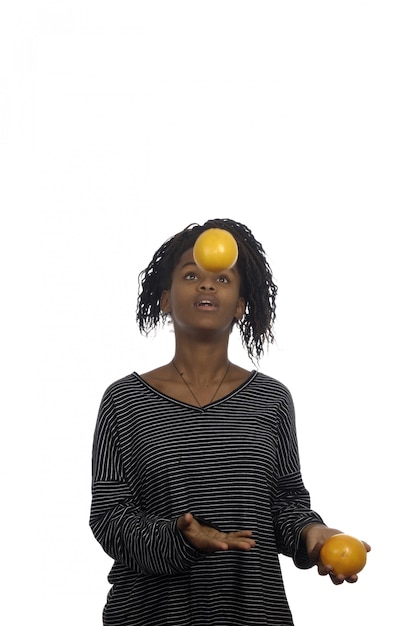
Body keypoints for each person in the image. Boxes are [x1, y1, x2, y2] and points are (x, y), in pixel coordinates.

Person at [90, 218, 370, 625]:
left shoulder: (271, 399)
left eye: (223, 278)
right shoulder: (125, 400)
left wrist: (312, 534)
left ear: (241, 304)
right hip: (150, 613)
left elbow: (284, 504)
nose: (206, 285)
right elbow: (110, 517)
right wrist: (180, 537)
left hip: (252, 611)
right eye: (191, 275)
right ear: (165, 299)